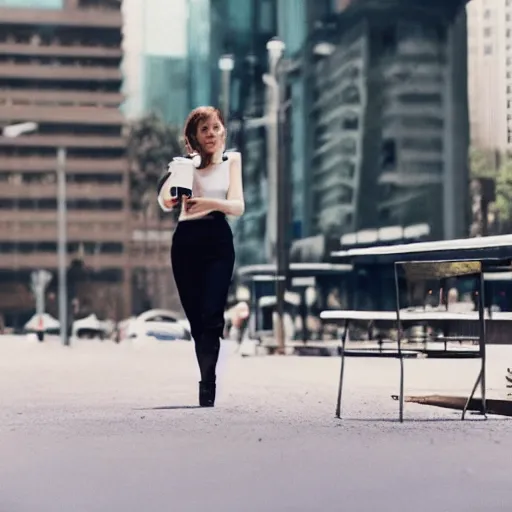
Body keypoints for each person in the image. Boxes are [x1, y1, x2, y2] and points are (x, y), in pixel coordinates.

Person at [157, 106, 245, 407]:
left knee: (211, 315)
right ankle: (205, 374)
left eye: (216, 127)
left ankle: (208, 384)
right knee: (196, 320)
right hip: (186, 242)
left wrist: (206, 202)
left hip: (218, 240)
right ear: (194, 136)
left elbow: (237, 206)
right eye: (204, 129)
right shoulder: (186, 165)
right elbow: (165, 198)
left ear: (223, 132)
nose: (211, 134)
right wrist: (175, 185)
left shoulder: (232, 161)